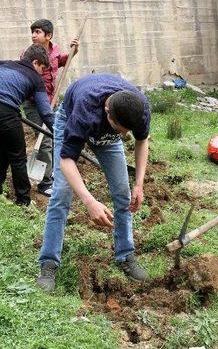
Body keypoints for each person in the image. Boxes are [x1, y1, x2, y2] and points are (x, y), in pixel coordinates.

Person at [36, 74, 151, 292]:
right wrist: (89, 201)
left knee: (122, 192)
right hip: (69, 117)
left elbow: (141, 140)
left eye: (127, 131)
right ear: (107, 111)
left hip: (105, 136)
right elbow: (66, 162)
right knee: (61, 192)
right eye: (120, 129)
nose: (125, 135)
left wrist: (139, 184)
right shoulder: (85, 110)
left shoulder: (139, 107)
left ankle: (125, 255)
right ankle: (48, 263)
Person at [0, 44, 54, 207]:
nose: (42, 73)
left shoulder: (4, 63)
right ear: (36, 63)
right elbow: (45, 113)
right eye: (42, 68)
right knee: (18, 157)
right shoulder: (35, 78)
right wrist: (60, 132)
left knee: (5, 149)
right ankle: (24, 202)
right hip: (4, 114)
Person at [21, 19, 78, 197]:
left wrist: (72, 52)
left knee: (55, 137)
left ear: (48, 35)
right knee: (44, 141)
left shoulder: (54, 52)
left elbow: (61, 61)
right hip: (34, 103)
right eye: (32, 32)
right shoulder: (27, 55)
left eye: (37, 32)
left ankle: (50, 170)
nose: (33, 36)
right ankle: (45, 183)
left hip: (52, 102)